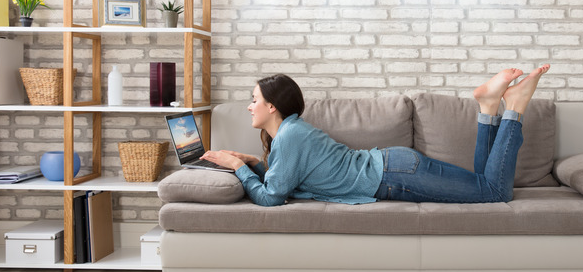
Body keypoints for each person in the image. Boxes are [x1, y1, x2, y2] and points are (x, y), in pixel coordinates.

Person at [201, 65, 550, 206]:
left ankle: (513, 107)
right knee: (482, 183)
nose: (249, 107)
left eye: (254, 100)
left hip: (394, 175)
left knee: (495, 192)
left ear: (273, 107)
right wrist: (250, 164)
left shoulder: (290, 136)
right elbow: (284, 180)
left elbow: (272, 197)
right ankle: (489, 109)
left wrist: (237, 166)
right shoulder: (289, 135)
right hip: (395, 167)